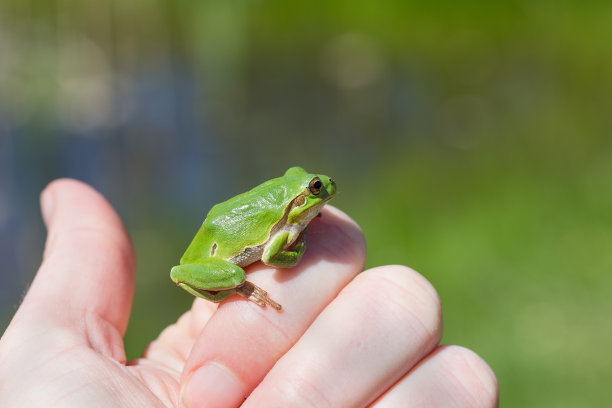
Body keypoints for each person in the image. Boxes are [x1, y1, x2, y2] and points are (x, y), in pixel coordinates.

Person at [0, 179, 498, 407]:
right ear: (302, 200)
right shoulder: (287, 228)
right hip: (220, 263)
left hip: (224, 241)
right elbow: (280, 256)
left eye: (316, 189)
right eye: (315, 192)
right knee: (248, 276)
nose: (323, 194)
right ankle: (241, 289)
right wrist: (296, 249)